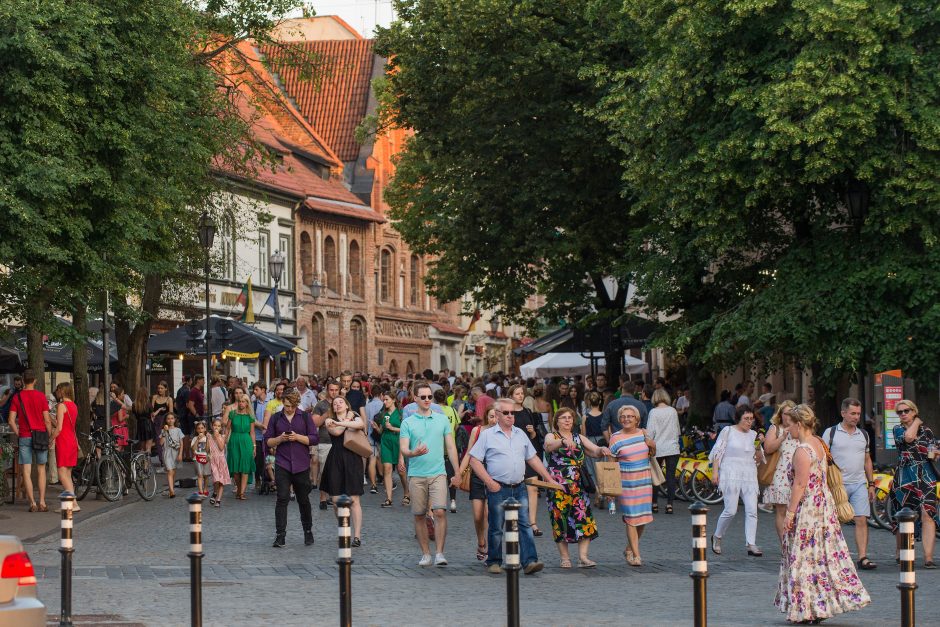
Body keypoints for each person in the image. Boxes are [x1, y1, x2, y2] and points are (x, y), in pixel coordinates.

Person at [775, 404, 871, 622]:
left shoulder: (802, 450)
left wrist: (789, 514)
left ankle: (805, 609)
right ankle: (819, 605)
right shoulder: (819, 443)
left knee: (803, 557)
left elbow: (800, 484)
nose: (788, 430)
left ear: (799, 424)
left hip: (808, 508)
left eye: (790, 426)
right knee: (821, 556)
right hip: (823, 507)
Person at [468, 397, 562, 575]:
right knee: (496, 526)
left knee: (525, 524)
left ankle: (529, 561)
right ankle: (494, 561)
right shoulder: (487, 435)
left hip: (519, 487)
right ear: (497, 414)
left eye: (513, 412)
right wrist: (489, 482)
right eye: (506, 413)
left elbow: (532, 458)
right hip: (498, 487)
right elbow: (474, 461)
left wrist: (548, 478)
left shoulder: (520, 433)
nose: (511, 416)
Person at [399, 382, 462, 567]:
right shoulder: (408, 422)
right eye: (424, 397)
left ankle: (440, 553)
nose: (427, 400)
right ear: (415, 398)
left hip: (438, 472)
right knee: (419, 515)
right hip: (416, 474)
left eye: (429, 397)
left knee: (440, 511)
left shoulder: (441, 419)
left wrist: (457, 471)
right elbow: (403, 447)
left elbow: (450, 446)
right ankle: (426, 553)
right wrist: (412, 453)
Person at [543, 408, 611, 568]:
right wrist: (562, 442)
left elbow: (593, 450)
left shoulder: (579, 437)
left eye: (570, 418)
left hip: (578, 485)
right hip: (557, 485)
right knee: (560, 519)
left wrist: (602, 450)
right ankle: (565, 558)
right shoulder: (552, 435)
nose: (567, 420)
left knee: (584, 519)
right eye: (563, 418)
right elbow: (548, 446)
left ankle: (583, 557)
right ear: (557, 421)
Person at [822, 398, 877, 570]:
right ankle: (833, 556)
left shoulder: (864, 435)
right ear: (843, 413)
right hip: (837, 485)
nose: (856, 417)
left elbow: (867, 460)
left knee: (861, 519)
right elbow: (822, 459)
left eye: (858, 414)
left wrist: (871, 484)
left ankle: (862, 557)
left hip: (859, 483)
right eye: (853, 413)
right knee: (834, 522)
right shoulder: (830, 433)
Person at [264, 389, 319, 547]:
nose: (288, 408)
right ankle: (280, 535)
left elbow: (314, 439)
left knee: (303, 499)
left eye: (291, 406)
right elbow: (267, 441)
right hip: (282, 463)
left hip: (301, 464)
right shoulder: (276, 418)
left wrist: (298, 437)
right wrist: (279, 439)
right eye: (286, 405)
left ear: (296, 404)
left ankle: (308, 531)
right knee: (282, 498)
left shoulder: (305, 417)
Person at [710, 404, 764, 557]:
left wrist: (759, 445)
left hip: (748, 474)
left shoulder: (754, 434)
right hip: (730, 472)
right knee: (731, 510)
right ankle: (717, 536)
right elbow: (717, 452)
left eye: (751, 419)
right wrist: (715, 473)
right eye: (746, 419)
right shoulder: (728, 431)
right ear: (738, 419)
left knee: (752, 510)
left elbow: (758, 459)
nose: (749, 422)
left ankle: (751, 543)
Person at [891, 399, 937, 568]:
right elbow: (909, 438)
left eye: (906, 411)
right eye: (900, 412)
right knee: (904, 516)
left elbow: (932, 450)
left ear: (913, 410)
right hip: (905, 476)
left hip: (925, 475)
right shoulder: (897, 429)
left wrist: (935, 453)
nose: (903, 414)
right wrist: (916, 421)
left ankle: (928, 557)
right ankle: (902, 551)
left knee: (927, 514)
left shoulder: (927, 431)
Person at [609, 405, 655, 566]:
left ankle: (629, 548)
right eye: (623, 416)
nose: (626, 419)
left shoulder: (644, 434)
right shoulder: (615, 438)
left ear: (637, 419)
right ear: (619, 419)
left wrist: (652, 444)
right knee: (631, 519)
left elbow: (652, 453)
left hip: (644, 480)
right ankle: (636, 555)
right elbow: (611, 465)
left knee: (642, 519)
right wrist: (610, 488)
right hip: (626, 482)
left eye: (630, 416)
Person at [320, 396, 366, 546]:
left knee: (354, 500)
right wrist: (346, 420)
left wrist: (345, 420)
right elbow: (338, 432)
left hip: (353, 459)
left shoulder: (355, 416)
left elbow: (361, 424)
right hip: (336, 459)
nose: (338, 404)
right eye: (335, 403)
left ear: (347, 405)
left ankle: (357, 536)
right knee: (335, 500)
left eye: (341, 402)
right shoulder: (329, 420)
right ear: (332, 408)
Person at [456, 405, 499, 561]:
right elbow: (469, 453)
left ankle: (490, 548)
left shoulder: (502, 433)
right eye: (492, 416)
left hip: (494, 475)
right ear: (487, 416)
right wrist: (459, 474)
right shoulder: (478, 430)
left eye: (497, 416)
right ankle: (481, 540)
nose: (494, 420)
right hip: (477, 475)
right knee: (477, 515)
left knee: (488, 514)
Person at [7, 369, 53, 512]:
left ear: (23, 380)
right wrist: (50, 436)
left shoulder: (17, 397)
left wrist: (19, 433)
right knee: (41, 469)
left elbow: (11, 420)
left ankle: (32, 503)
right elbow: (47, 420)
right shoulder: (41, 397)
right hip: (40, 436)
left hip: (25, 436)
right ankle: (43, 502)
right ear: (35, 380)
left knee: (26, 471)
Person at [508, 384, 546, 536]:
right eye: (517, 394)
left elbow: (534, 438)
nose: (520, 396)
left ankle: (533, 523)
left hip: (528, 456)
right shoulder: (508, 413)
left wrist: (533, 432)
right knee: (514, 489)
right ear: (511, 396)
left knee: (533, 488)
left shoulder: (528, 412)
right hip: (512, 457)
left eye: (522, 393)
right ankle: (516, 521)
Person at [760, 400, 797, 543]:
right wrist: (782, 436)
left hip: (798, 474)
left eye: (791, 414)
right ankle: (785, 544)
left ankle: (796, 542)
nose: (787, 417)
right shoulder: (775, 429)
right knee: (782, 510)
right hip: (780, 474)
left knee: (795, 510)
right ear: (780, 415)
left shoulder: (799, 429)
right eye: (785, 414)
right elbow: (768, 448)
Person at [647, 388, 681, 514]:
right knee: (670, 477)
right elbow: (677, 430)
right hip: (672, 447)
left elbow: (650, 432)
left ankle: (654, 503)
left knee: (656, 475)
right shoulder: (673, 411)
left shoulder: (653, 412)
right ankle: (669, 505)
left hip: (658, 448)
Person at [312, 381, 341, 510]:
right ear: (327, 390)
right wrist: (327, 414)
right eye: (331, 390)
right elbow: (315, 423)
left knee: (337, 471)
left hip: (340, 441)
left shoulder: (342, 404)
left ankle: (334, 496)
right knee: (324, 471)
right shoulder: (320, 405)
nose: (333, 392)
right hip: (325, 441)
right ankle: (323, 498)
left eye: (336, 390)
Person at [51, 382, 79, 512]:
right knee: (68, 474)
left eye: (58, 390)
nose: (56, 392)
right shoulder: (73, 405)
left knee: (62, 474)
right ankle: (71, 504)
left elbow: (60, 427)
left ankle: (73, 503)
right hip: (72, 440)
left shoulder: (61, 406)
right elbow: (67, 424)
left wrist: (50, 439)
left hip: (63, 441)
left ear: (62, 391)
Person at [377, 391, 408, 508]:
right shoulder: (383, 414)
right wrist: (376, 428)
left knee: (401, 470)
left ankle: (406, 493)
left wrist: (393, 428)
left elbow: (405, 431)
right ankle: (389, 498)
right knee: (387, 468)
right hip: (385, 442)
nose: (384, 402)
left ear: (394, 400)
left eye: (387, 400)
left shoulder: (401, 413)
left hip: (398, 442)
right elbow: (381, 430)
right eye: (383, 400)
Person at [226, 395, 256, 500]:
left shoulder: (250, 416)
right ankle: (239, 489)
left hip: (246, 441)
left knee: (245, 467)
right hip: (234, 441)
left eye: (243, 401)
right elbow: (227, 428)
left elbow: (252, 433)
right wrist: (225, 441)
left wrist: (254, 446)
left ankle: (242, 493)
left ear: (247, 403)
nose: (241, 403)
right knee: (235, 469)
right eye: (239, 401)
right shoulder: (232, 414)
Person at [581, 391, 606, 507]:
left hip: (590, 443)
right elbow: (607, 432)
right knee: (602, 470)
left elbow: (583, 435)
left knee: (592, 470)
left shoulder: (585, 417)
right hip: (602, 443)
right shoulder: (604, 415)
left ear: (589, 402)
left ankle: (598, 493)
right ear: (600, 402)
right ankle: (601, 492)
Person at [208, 418, 232, 507]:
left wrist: (217, 437)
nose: (216, 428)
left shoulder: (222, 436)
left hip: (221, 461)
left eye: (218, 426)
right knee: (216, 480)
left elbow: (221, 448)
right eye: (215, 426)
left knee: (221, 481)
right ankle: (215, 492)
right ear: (212, 426)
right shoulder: (209, 436)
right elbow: (207, 449)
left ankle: (218, 499)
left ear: (221, 428)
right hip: (213, 461)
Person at [250, 381, 269, 492]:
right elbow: (252, 418)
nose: (254, 392)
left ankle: (267, 480)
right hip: (257, 436)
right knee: (258, 460)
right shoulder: (254, 404)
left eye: (256, 389)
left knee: (267, 459)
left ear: (263, 390)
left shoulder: (270, 402)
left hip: (267, 436)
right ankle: (258, 479)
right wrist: (261, 425)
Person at [160, 413, 183, 498]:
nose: (170, 420)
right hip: (167, 453)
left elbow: (181, 443)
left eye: (172, 418)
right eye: (168, 419)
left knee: (173, 471)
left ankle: (171, 489)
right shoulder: (163, 430)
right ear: (166, 420)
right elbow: (161, 443)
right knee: (170, 471)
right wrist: (164, 432)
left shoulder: (178, 430)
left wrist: (180, 454)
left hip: (176, 453)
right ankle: (172, 491)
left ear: (175, 419)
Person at [132, 387, 155, 457]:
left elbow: (135, 415)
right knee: (148, 448)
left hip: (140, 425)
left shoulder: (135, 405)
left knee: (142, 448)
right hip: (148, 425)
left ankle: (142, 463)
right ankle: (146, 465)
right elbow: (152, 414)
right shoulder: (148, 404)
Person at [191, 421, 211, 498]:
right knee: (200, 475)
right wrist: (197, 440)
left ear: (205, 429)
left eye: (202, 428)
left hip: (206, 457)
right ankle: (200, 491)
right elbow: (193, 449)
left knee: (206, 475)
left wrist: (208, 440)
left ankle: (205, 489)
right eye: (198, 428)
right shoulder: (195, 438)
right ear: (196, 430)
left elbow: (207, 450)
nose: (200, 430)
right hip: (197, 458)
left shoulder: (207, 438)